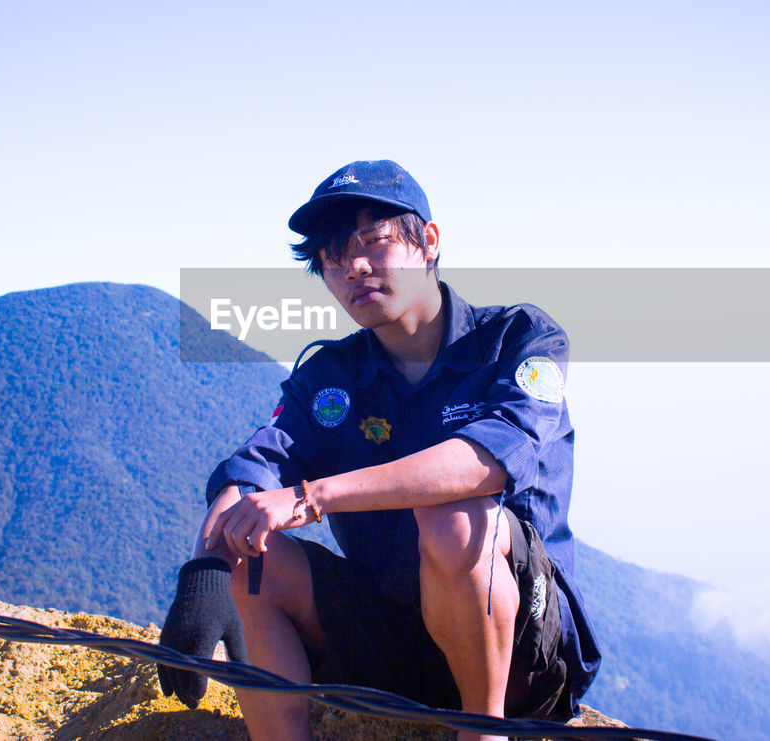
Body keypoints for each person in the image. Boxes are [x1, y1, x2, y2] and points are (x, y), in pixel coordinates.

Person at [158, 160, 600, 741]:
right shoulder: (333, 377)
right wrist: (206, 569)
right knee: (252, 551)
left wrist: (312, 497)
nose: (355, 268)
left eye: (374, 242)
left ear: (429, 241)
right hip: (391, 644)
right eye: (334, 257)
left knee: (456, 516)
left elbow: (487, 461)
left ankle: (481, 733)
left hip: (522, 657)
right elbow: (255, 468)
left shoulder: (519, 340)